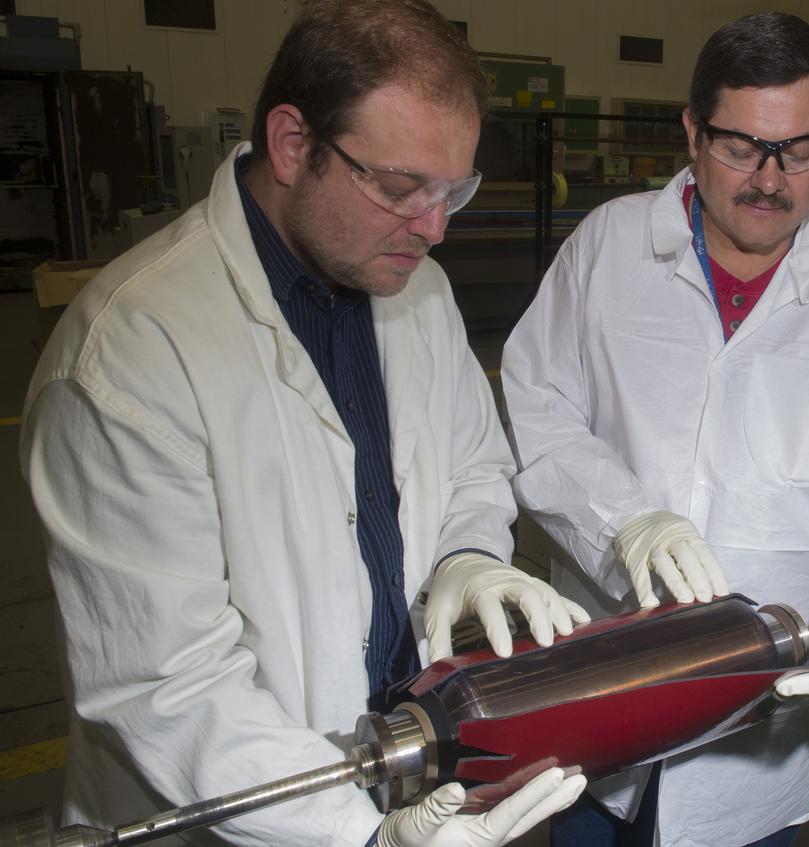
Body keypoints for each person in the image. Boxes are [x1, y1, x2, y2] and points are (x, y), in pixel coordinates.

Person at [19, 2, 590, 844]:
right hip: (229, 814)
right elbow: (170, 690)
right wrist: (356, 836)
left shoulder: (417, 290)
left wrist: (467, 555)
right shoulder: (129, 355)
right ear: (293, 145)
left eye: (452, 190)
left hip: (405, 764)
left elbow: (471, 466)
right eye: (400, 187)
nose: (434, 227)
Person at [501, 11, 809, 847]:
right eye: (741, 147)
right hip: (602, 701)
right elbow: (533, 410)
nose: (770, 180)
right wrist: (621, 520)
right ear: (693, 133)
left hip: (766, 722)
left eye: (800, 150)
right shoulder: (608, 248)